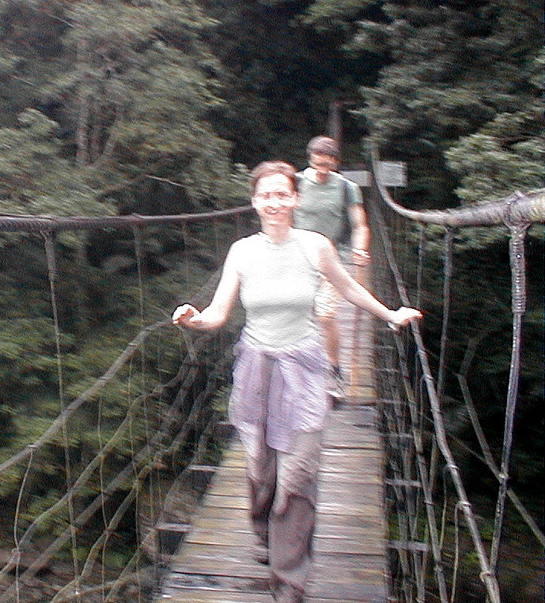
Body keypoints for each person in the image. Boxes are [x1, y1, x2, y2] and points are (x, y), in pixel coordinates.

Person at [171, 161, 420, 603]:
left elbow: (349, 289)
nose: (274, 202)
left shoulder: (316, 246)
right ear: (254, 201)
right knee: (260, 470)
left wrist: (390, 314)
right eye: (265, 194)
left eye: (282, 194)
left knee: (297, 475)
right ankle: (263, 530)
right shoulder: (242, 252)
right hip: (256, 368)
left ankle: (290, 583)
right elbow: (219, 312)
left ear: (295, 198)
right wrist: (194, 319)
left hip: (305, 367)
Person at [293, 136, 370, 400]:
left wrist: (360, 248)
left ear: (336, 162)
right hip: (294, 259)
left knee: (324, 317)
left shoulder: (347, 188)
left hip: (328, 261)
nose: (322, 167)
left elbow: (360, 225)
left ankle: (335, 370)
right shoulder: (295, 182)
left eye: (328, 162)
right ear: (310, 159)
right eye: (317, 161)